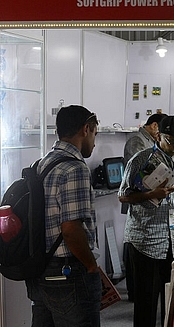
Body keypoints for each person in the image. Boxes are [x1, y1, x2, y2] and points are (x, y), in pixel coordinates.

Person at [26, 105, 101, 326]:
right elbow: (70, 228)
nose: (94, 143)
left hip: (41, 269)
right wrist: (91, 266)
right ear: (85, 129)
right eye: (95, 134)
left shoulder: (43, 163)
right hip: (69, 272)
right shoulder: (75, 168)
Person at [118, 115, 174, 327]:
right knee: (145, 303)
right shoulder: (141, 159)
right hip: (146, 240)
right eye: (171, 141)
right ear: (160, 136)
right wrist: (151, 194)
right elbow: (123, 196)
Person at [121, 112, 166, 301]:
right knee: (134, 251)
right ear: (155, 126)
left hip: (156, 207)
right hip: (139, 202)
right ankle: (133, 292)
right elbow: (138, 176)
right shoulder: (137, 142)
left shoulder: (152, 143)